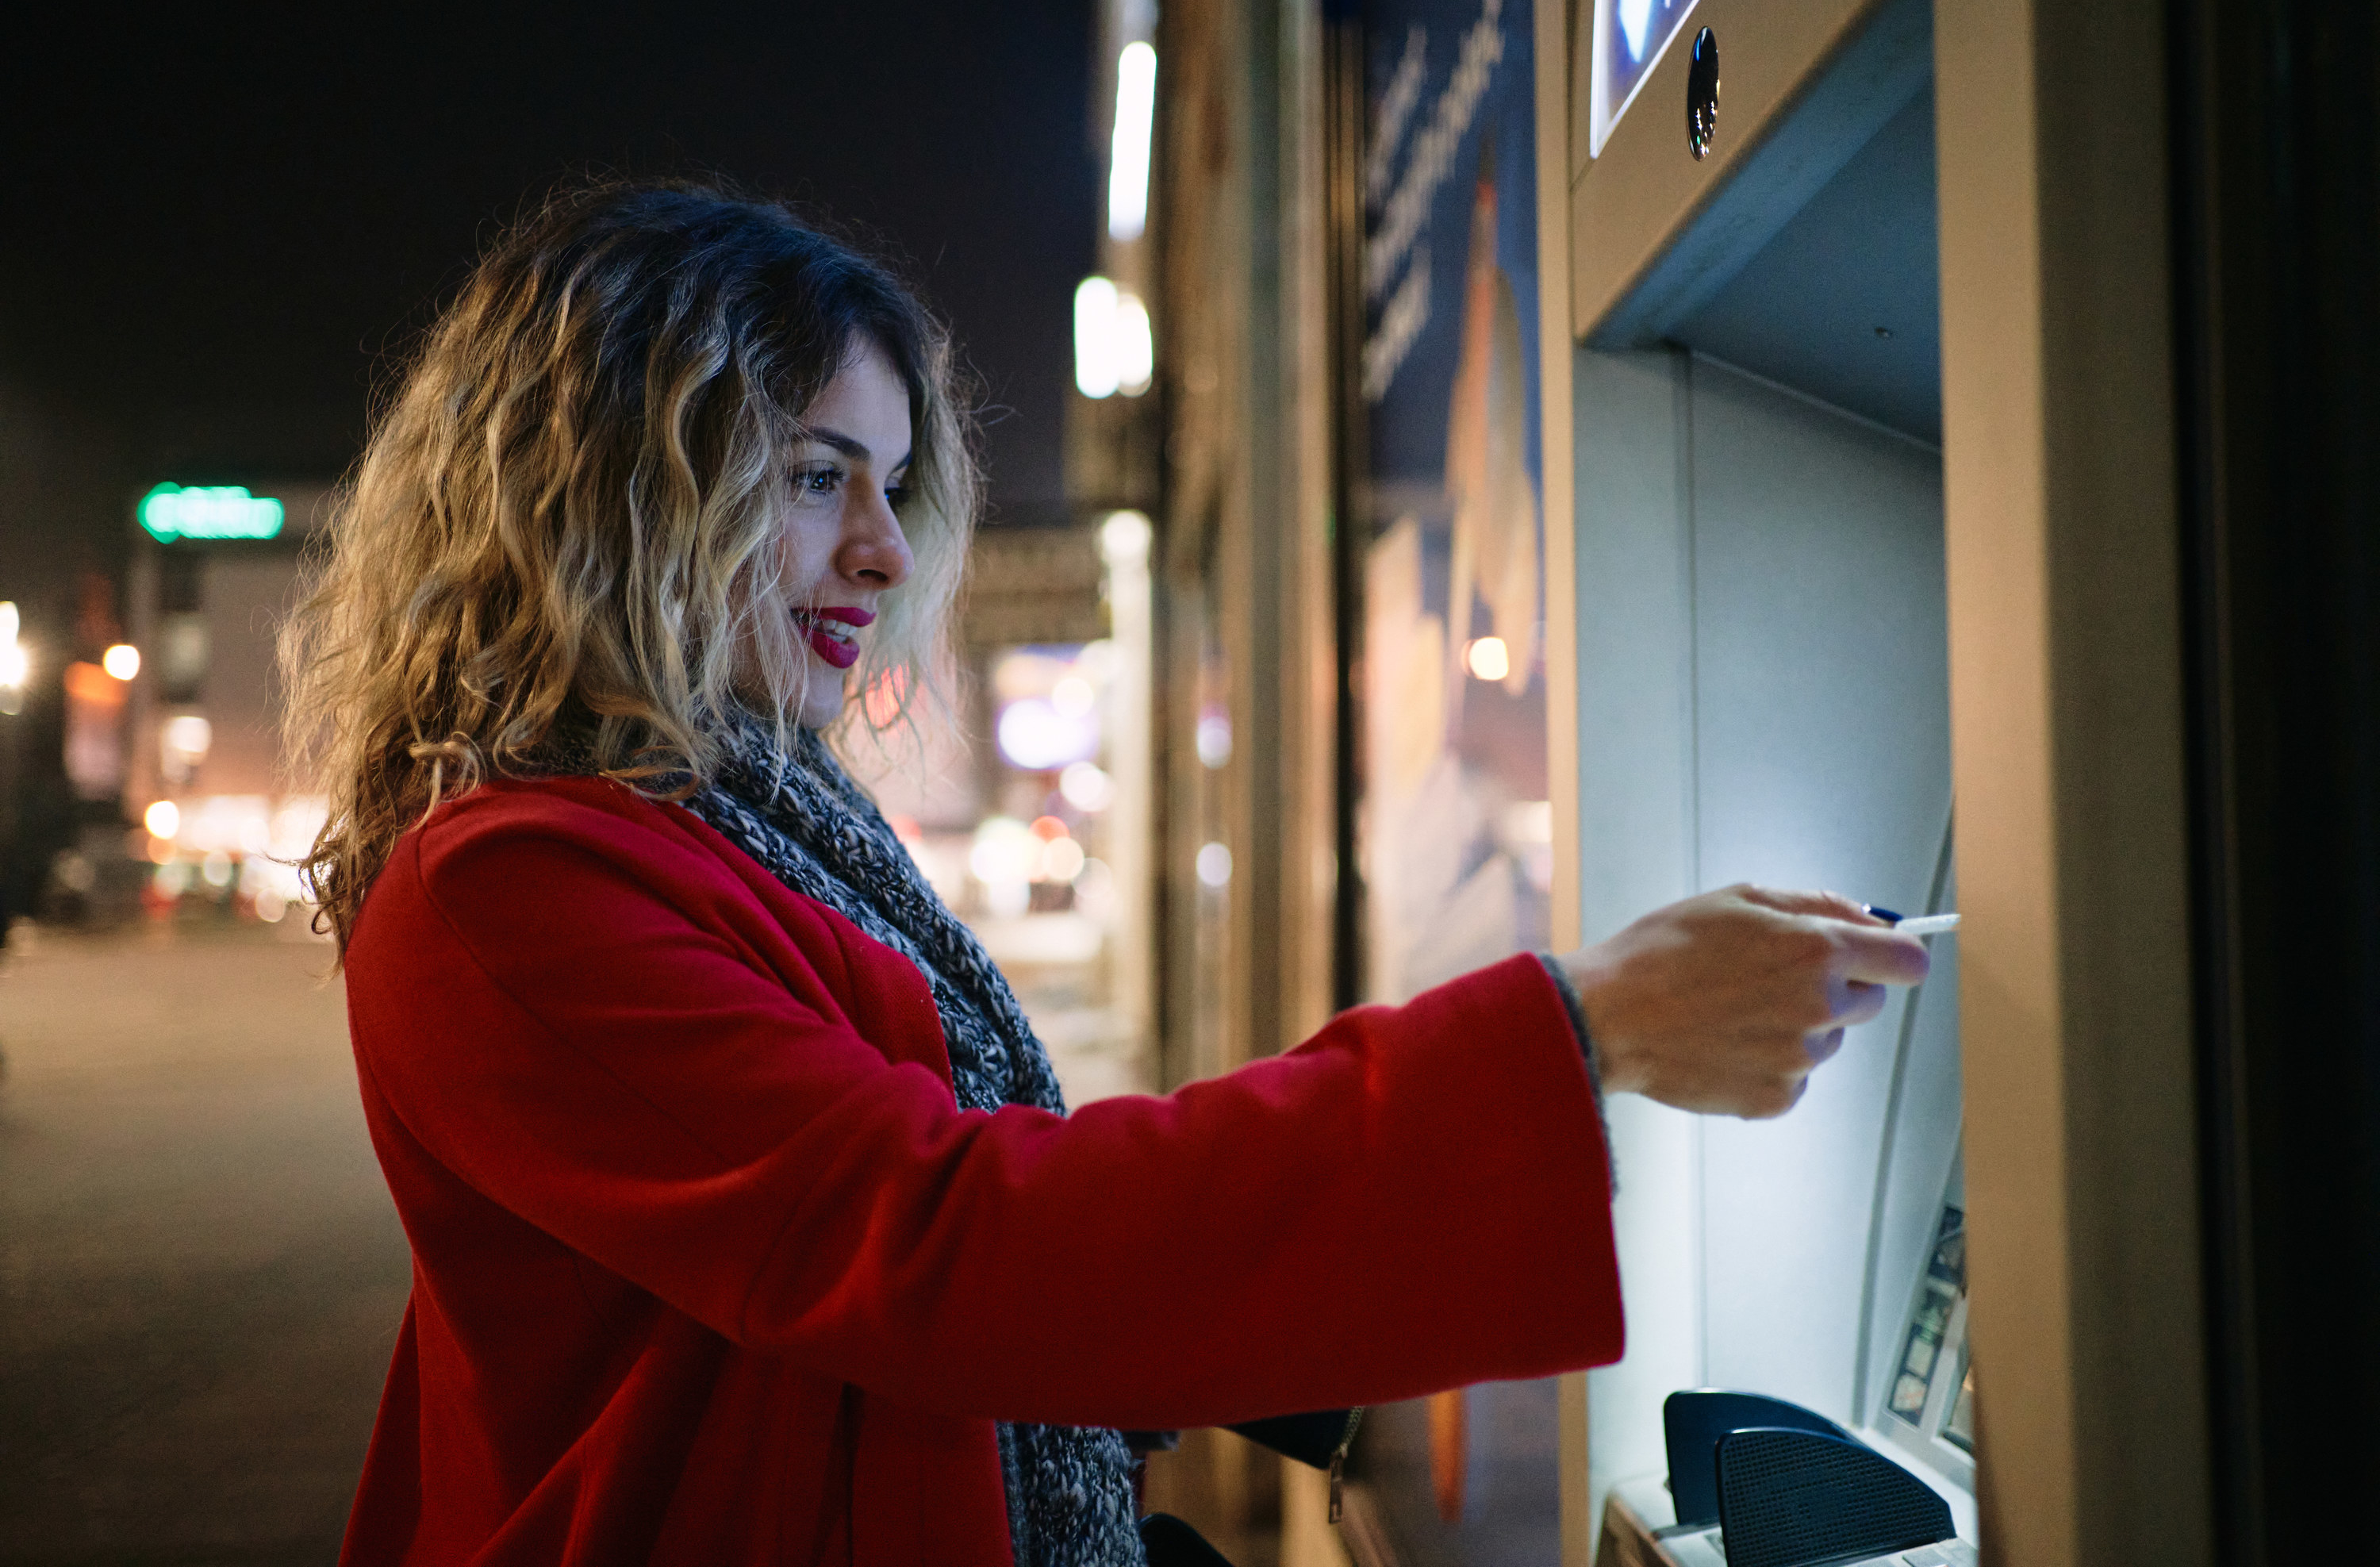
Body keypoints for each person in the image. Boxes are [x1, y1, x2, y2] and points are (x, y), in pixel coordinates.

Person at [282, 182, 1929, 1567]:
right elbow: (936, 1240)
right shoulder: (507, 889)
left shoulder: (735, 814)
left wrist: (1315, 1331)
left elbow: (955, 1235)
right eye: (811, 473)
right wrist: (1581, 1031)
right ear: (612, 487)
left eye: (890, 480)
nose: (886, 546)